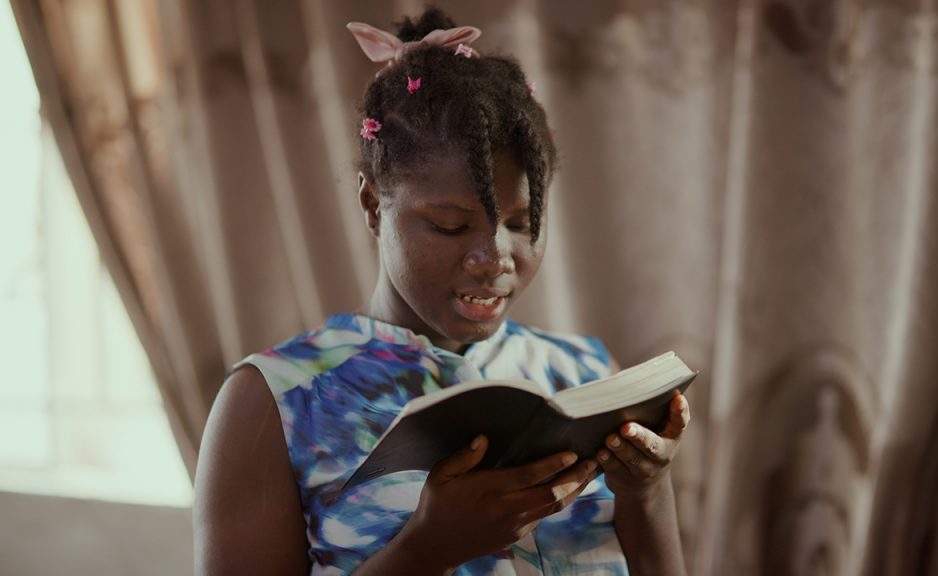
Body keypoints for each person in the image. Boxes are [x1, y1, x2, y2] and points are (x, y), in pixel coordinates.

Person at [193, 8, 690, 576]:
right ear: (373, 204)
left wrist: (646, 493)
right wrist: (426, 550)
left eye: (522, 222)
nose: (494, 257)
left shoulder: (585, 374)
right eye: (452, 226)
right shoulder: (278, 399)